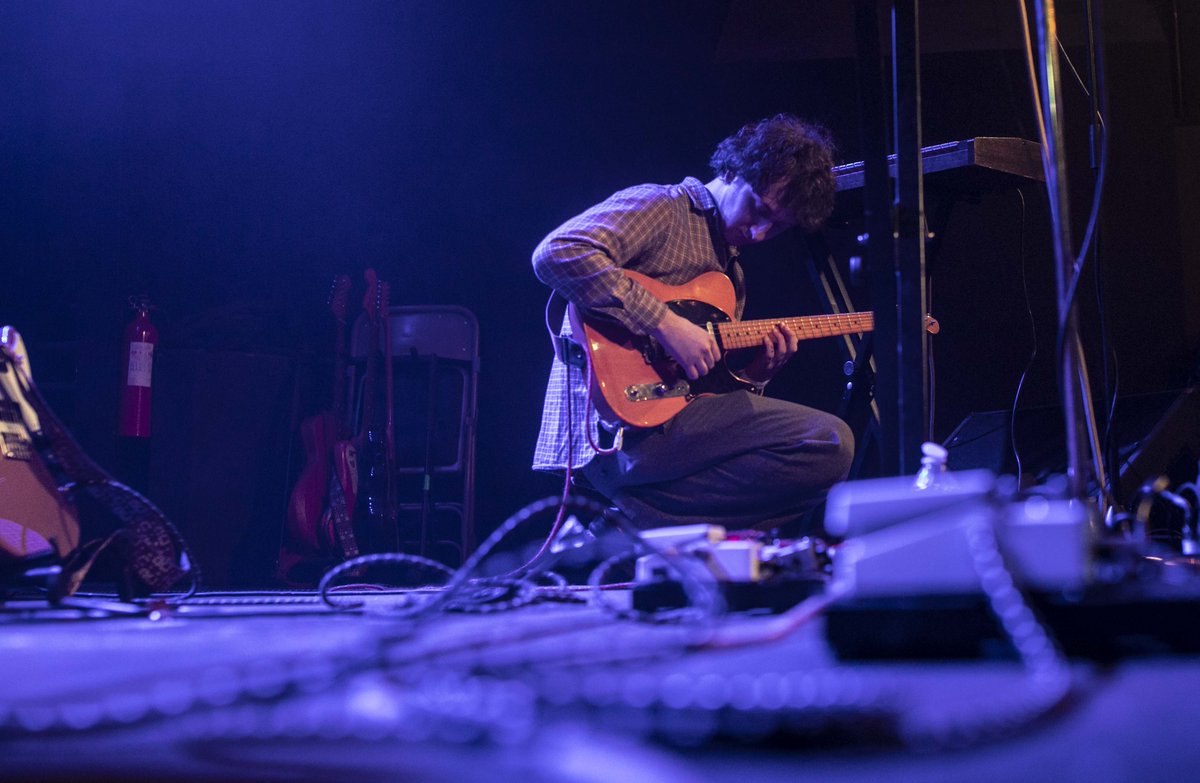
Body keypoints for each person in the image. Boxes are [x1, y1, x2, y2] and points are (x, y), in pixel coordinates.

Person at [532, 114, 854, 534]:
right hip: (612, 431)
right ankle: (631, 527)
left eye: (778, 228)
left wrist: (753, 377)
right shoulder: (663, 208)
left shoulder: (730, 276)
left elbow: (695, 386)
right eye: (759, 209)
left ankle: (625, 531)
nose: (759, 233)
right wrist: (664, 322)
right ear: (733, 170)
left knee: (811, 480)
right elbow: (558, 253)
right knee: (828, 443)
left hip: (667, 428)